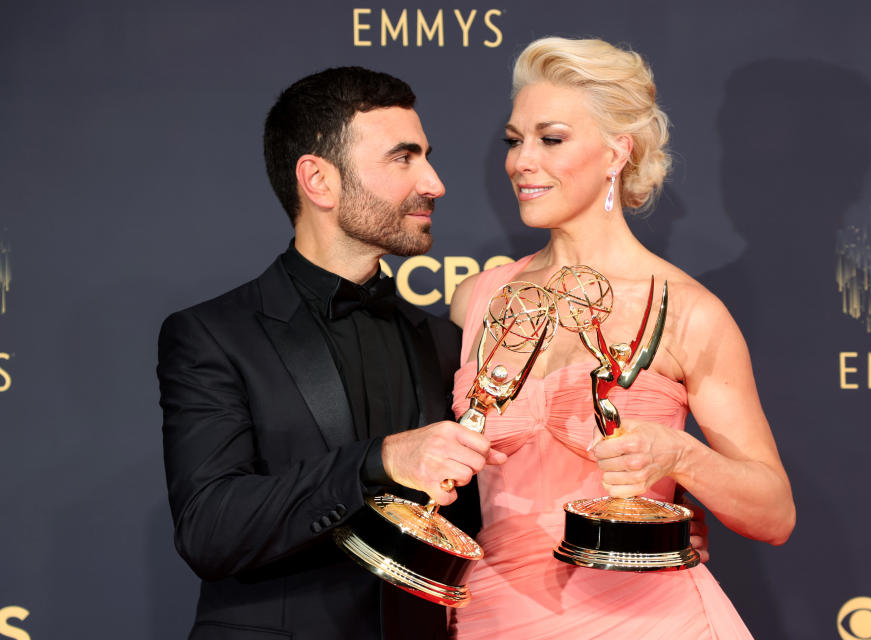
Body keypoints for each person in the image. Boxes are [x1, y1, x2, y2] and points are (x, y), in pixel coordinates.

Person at [448, 37, 796, 638]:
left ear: (617, 153)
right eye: (514, 140)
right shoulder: (476, 301)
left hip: (649, 618)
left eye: (550, 139)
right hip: (492, 614)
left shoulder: (689, 312)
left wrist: (680, 457)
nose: (520, 161)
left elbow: (773, 513)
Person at [157, 67, 504, 640]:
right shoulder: (213, 335)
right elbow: (209, 529)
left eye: (427, 156)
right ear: (318, 180)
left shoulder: (445, 342)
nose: (435, 182)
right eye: (403, 158)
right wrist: (379, 461)